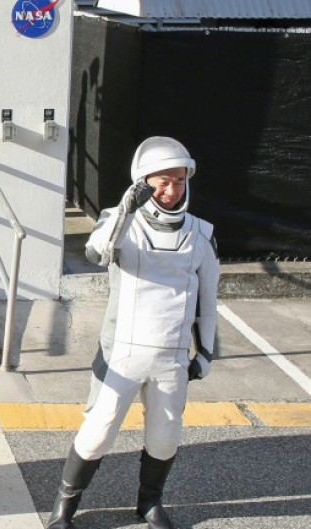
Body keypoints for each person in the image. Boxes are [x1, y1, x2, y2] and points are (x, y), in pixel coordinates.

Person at [46, 137, 220, 529]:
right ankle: (64, 506)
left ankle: (150, 501)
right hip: (121, 352)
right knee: (97, 431)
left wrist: (206, 352)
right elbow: (96, 254)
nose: (172, 190)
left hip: (171, 356)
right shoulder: (119, 220)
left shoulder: (201, 233)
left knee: (165, 435)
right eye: (162, 182)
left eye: (179, 181)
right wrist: (126, 209)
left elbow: (208, 301)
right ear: (142, 182)